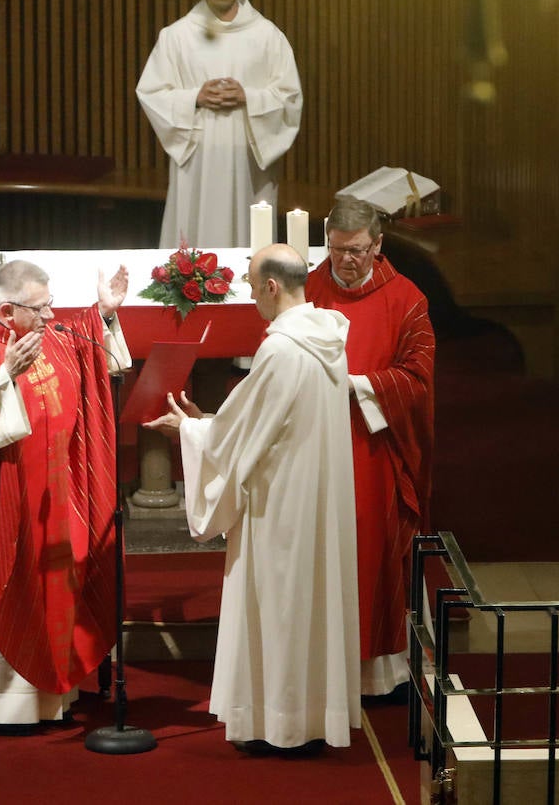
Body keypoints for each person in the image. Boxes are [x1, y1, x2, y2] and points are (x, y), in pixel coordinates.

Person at [145, 244, 359, 751]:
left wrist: (192, 431)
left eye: (250, 283)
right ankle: (306, 718)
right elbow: (265, 420)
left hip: (280, 501)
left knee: (279, 604)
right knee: (305, 603)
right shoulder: (328, 338)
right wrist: (209, 424)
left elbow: (246, 436)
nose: (250, 295)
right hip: (316, 494)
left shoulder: (282, 349)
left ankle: (278, 724)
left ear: (271, 286)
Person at [0, 260, 132, 727]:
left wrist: (102, 313)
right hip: (3, 506)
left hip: (54, 495)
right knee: (6, 592)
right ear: (5, 312)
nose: (51, 316)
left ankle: (51, 693)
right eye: (40, 308)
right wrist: (2, 374)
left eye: (51, 304)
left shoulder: (47, 335)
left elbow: (86, 350)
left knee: (55, 591)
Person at [305, 200, 435, 697]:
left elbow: (419, 378)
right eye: (338, 250)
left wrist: (358, 386)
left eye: (357, 251)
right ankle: (321, 667)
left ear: (378, 246)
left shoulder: (407, 300)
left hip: (373, 446)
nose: (347, 261)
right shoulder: (308, 290)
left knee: (371, 551)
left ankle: (379, 675)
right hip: (313, 445)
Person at [136, 0, 302, 249]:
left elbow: (289, 98)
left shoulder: (268, 37)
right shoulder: (177, 36)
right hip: (197, 162)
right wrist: (194, 98)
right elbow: (151, 92)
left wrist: (248, 97)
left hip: (247, 164)